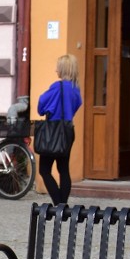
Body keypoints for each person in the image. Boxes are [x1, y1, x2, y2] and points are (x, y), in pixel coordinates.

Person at [37, 53, 83, 206]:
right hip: (68, 131)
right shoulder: (75, 88)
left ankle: (58, 203)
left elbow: (41, 106)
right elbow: (77, 105)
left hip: (52, 131)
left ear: (63, 69)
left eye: (58, 67)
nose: (56, 70)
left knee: (44, 170)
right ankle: (63, 205)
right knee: (63, 169)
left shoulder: (57, 87)